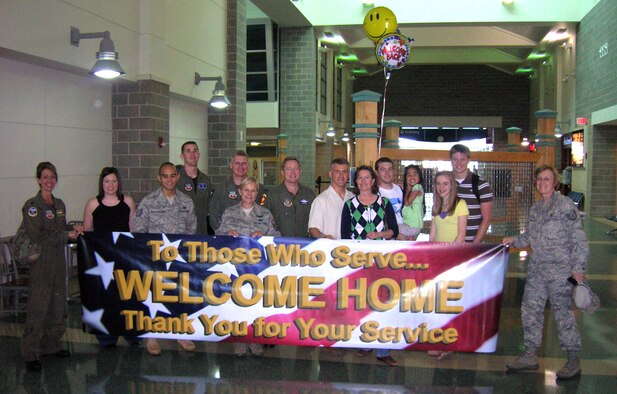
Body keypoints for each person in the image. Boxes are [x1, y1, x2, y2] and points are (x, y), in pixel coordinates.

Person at [503, 165, 588, 380]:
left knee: (563, 315)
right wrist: (513, 241)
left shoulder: (565, 205)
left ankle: (573, 359)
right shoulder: (536, 208)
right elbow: (529, 237)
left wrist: (578, 269)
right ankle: (530, 355)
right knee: (530, 311)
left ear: (555, 181)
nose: (542, 182)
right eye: (539, 179)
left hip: (561, 272)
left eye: (547, 179)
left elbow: (579, 239)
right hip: (537, 271)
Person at [133, 162, 197, 356]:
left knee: (179, 296)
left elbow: (191, 231)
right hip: (155, 260)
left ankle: (181, 333)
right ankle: (151, 336)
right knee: (154, 297)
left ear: (177, 177)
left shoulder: (186, 202)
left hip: (178, 259)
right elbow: (139, 231)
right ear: (159, 178)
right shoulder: (148, 202)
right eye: (165, 176)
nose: (169, 179)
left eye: (172, 175)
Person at [21, 162, 79, 372]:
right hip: (41, 262)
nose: (49, 181)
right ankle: (30, 353)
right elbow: (38, 235)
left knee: (57, 306)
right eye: (45, 177)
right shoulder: (33, 206)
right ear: (38, 180)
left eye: (52, 177)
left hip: (58, 261)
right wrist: (65, 235)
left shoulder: (59, 204)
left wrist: (72, 228)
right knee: (38, 307)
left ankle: (50, 346)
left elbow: (60, 228)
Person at [340, 165, 399, 367]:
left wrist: (379, 235)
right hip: (359, 262)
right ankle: (364, 342)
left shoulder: (384, 204)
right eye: (360, 178)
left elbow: (394, 231)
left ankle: (383, 349)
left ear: (373, 181)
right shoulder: (349, 205)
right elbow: (344, 236)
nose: (364, 182)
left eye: (367, 178)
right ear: (355, 182)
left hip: (382, 261)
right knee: (362, 303)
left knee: (383, 303)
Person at [215, 176, 280, 356]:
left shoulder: (265, 214)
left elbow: (276, 236)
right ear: (239, 192)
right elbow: (218, 235)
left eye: (253, 191)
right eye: (246, 190)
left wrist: (264, 235)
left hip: (256, 268)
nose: (249, 194)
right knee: (236, 303)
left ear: (257, 193)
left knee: (254, 304)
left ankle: (254, 339)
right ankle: (240, 340)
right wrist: (228, 233)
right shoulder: (229, 213)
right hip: (235, 267)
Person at [80, 167, 142, 348]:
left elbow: (133, 230)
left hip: (124, 259)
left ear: (119, 183)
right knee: (105, 297)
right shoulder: (93, 204)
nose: (111, 185)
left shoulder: (128, 202)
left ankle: (132, 334)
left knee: (128, 296)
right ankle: (107, 335)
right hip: (101, 261)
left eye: (114, 181)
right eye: (107, 181)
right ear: (101, 183)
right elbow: (87, 233)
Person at [209, 150, 267, 232]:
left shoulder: (260, 189)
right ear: (231, 165)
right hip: (230, 240)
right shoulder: (221, 190)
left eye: (244, 163)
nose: (241, 166)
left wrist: (262, 232)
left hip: (254, 240)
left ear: (248, 165)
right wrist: (225, 233)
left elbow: (266, 215)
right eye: (237, 163)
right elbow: (214, 216)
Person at [450, 144, 493, 243]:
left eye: (462, 159)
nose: (458, 163)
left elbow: (487, 219)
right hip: (447, 243)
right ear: (451, 160)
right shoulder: (444, 183)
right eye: (455, 159)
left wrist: (474, 245)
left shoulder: (481, 184)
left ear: (468, 160)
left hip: (471, 243)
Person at [263, 157, 315, 238]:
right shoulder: (272, 195)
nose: (293, 173)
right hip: (279, 246)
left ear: (300, 171)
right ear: (282, 172)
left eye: (296, 169)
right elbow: (263, 221)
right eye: (288, 169)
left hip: (305, 245)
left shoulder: (309, 194)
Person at [308, 158, 355, 240]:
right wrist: (324, 237)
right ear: (330, 174)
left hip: (351, 250)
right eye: (337, 172)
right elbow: (313, 229)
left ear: (348, 175)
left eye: (344, 172)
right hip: (330, 250)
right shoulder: (321, 200)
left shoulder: (353, 198)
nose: (341, 175)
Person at [375, 157, 416, 240]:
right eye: (383, 170)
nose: (387, 173)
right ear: (377, 172)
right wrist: (400, 237)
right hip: (386, 240)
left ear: (394, 171)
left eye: (390, 169)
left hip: (405, 236)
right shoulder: (374, 194)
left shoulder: (401, 190)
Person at [176, 141, 212, 234]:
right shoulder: (175, 179)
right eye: (188, 151)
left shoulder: (205, 180)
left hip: (201, 232)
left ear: (199, 154)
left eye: (195, 151)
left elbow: (208, 207)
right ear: (182, 156)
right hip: (180, 232)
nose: (192, 154)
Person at [429, 171, 469, 243]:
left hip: (454, 252)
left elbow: (461, 236)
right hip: (438, 251)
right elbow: (432, 235)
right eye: (438, 184)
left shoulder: (461, 204)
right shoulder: (435, 206)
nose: (441, 187)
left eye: (445, 184)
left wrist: (450, 253)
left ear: (451, 186)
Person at [401, 164, 425, 240]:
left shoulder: (417, 187)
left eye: (415, 174)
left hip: (412, 227)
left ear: (419, 177)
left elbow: (407, 203)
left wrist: (407, 190)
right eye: (409, 175)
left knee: (392, 230)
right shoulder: (413, 189)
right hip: (409, 225)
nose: (412, 177)